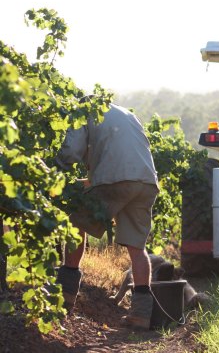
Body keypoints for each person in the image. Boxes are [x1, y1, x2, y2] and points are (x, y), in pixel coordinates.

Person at [55, 98, 159, 330]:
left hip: (115, 179)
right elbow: (121, 160)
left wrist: (52, 172)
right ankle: (141, 314)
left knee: (76, 225)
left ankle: (66, 294)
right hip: (146, 182)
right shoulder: (127, 114)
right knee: (137, 247)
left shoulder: (83, 111)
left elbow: (71, 152)